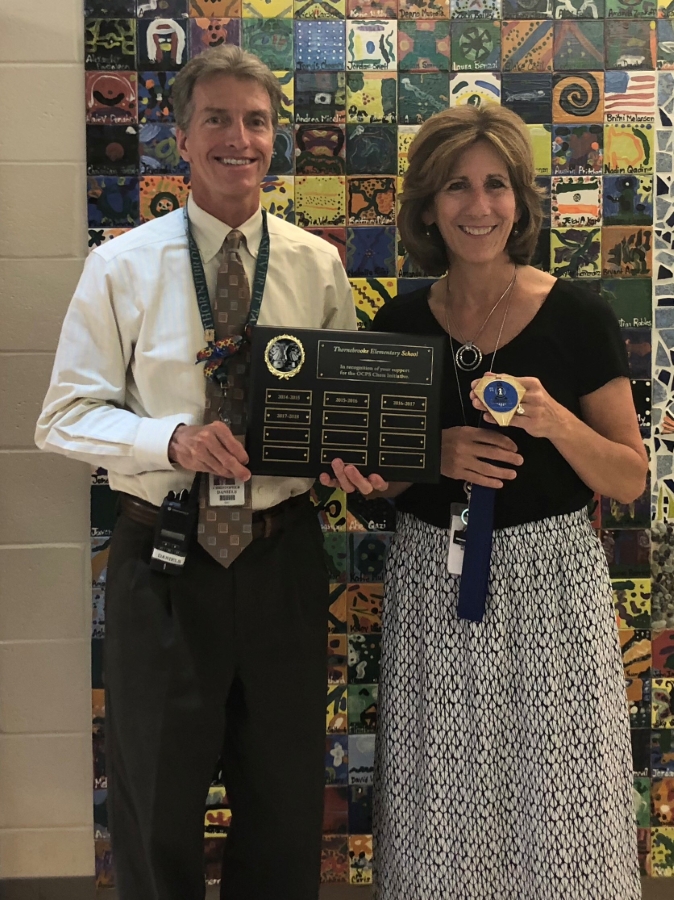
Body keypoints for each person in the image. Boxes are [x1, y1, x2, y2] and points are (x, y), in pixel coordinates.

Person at [35, 46, 381, 900]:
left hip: (282, 556)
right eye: (218, 120)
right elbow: (63, 419)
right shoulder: (121, 267)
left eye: (256, 121)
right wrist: (174, 441)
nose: (240, 138)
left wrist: (349, 455)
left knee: (285, 793)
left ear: (276, 140)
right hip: (164, 561)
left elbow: (339, 408)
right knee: (155, 796)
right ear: (181, 139)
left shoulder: (316, 265)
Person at [323, 105, 647, 899]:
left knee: (563, 792)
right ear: (428, 207)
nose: (479, 206)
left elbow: (629, 477)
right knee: (442, 788)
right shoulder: (399, 323)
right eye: (456, 187)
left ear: (521, 199)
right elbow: (375, 483)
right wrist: (427, 457)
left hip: (553, 585)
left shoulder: (578, 315)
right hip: (434, 582)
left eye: (496, 184)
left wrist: (556, 421)